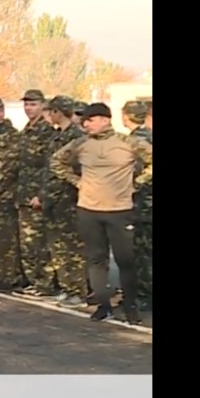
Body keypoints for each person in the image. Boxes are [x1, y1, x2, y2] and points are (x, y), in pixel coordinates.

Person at [49, 102, 152, 324]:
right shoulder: (81, 143)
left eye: (91, 120)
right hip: (89, 209)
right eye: (84, 121)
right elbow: (56, 161)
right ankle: (103, 306)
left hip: (119, 210)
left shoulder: (128, 142)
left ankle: (131, 308)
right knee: (96, 260)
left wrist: (137, 183)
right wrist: (77, 181)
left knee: (126, 260)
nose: (86, 124)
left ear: (105, 120)